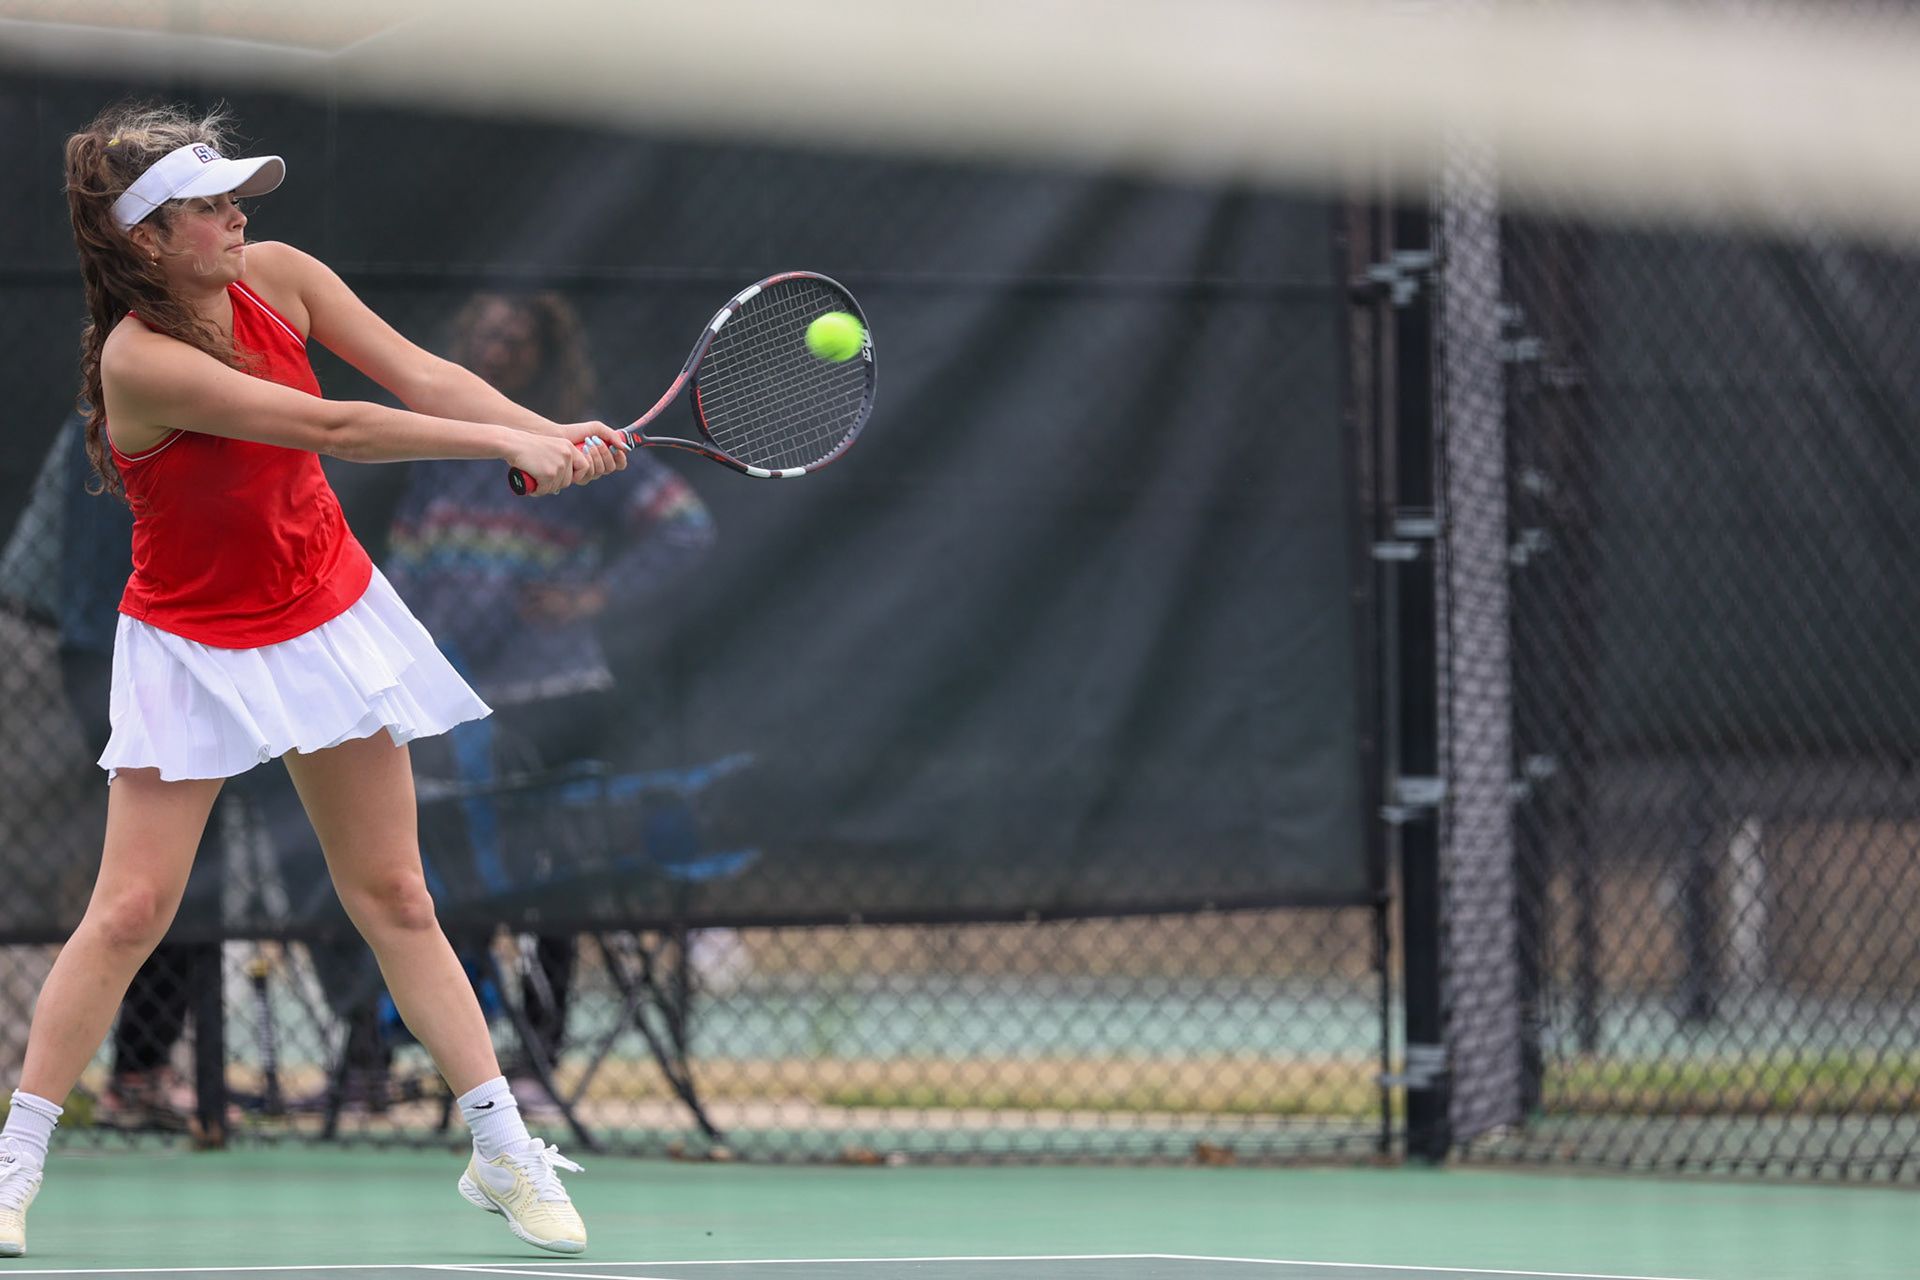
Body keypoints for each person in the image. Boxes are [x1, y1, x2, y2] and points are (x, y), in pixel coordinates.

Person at [0, 101, 628, 1259]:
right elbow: (335, 426)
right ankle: (14, 1162)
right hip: (188, 640)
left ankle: (499, 1150)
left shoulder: (280, 274)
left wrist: (546, 425)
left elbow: (422, 374)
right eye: (210, 208)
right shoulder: (142, 360)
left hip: (325, 612)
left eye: (236, 197)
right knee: (132, 907)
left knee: (395, 893)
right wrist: (509, 449)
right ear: (146, 239)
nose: (240, 217)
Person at [384, 292, 716, 1118]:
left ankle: (538, 1057)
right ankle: (452, 1067)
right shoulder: (442, 446)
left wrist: (594, 596)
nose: (498, 351)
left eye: (517, 341)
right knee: (442, 882)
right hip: (452, 704)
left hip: (557, 699)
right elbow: (410, 557)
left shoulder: (582, 447)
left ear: (543, 357)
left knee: (550, 885)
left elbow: (684, 528)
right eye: (484, 336)